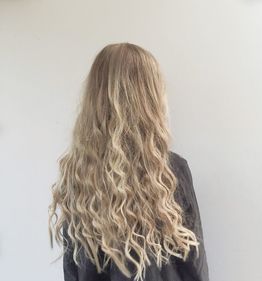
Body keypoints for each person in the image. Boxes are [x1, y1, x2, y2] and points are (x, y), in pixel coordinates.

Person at [48, 43, 209, 281]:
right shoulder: (170, 172)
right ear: (150, 100)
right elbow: (194, 267)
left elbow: (72, 272)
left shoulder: (78, 176)